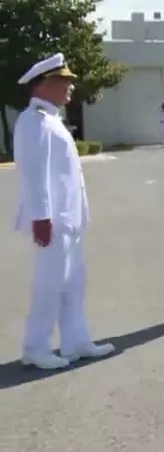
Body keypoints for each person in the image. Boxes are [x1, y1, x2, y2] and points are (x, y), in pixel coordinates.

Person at [12, 53, 115, 369]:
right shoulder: (33, 121)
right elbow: (33, 172)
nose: (70, 87)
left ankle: (76, 340)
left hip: (67, 218)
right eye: (64, 82)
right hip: (51, 221)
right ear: (45, 84)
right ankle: (35, 346)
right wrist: (41, 217)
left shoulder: (52, 120)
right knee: (49, 284)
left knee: (73, 282)